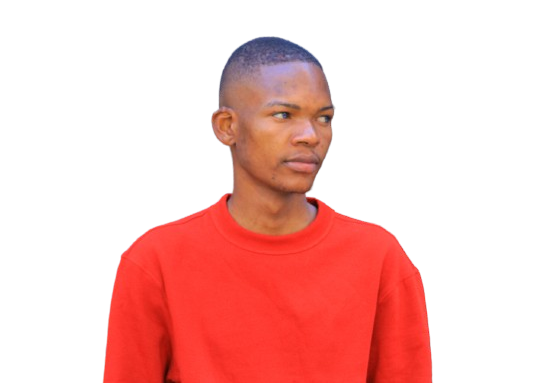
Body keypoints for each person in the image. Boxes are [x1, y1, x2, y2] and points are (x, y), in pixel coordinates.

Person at [103, 36, 432, 382]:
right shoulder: (155, 261)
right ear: (227, 127)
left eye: (324, 118)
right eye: (283, 114)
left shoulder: (380, 258)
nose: (310, 135)